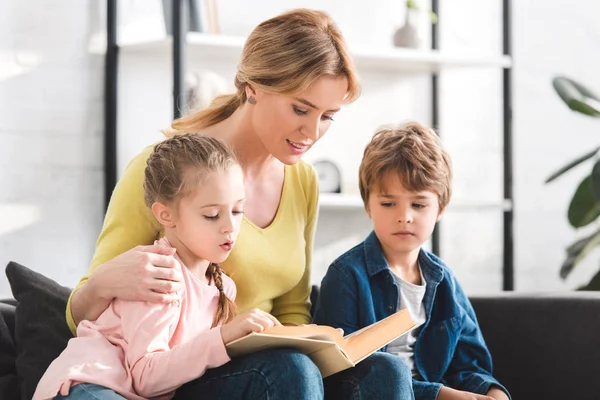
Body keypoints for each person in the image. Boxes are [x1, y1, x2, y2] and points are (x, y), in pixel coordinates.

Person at [64, 8, 412, 399]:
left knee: (387, 372)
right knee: (290, 370)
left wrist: (315, 343)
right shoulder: (164, 167)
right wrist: (103, 282)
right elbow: (82, 313)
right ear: (252, 87)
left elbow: (292, 307)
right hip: (176, 372)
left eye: (328, 116)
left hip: (265, 368)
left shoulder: (303, 181)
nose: (312, 132)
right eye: (300, 109)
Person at [35, 134, 311, 399]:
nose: (230, 227)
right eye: (212, 215)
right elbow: (144, 376)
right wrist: (223, 337)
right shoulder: (156, 275)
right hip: (90, 384)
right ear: (166, 215)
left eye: (238, 211)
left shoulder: (222, 285)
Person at [312, 122, 512, 400]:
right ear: (368, 204)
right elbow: (341, 376)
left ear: (440, 207)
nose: (404, 216)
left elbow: (470, 365)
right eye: (388, 203)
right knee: (387, 368)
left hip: (442, 393)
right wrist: (439, 395)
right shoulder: (345, 275)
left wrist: (492, 392)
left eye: (418, 205)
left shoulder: (444, 281)